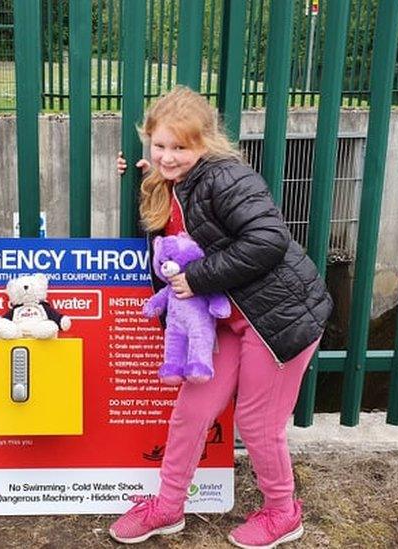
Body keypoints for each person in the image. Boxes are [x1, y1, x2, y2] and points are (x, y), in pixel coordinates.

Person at [108, 86, 332, 548]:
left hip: (278, 318)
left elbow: (267, 239)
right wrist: (147, 176)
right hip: (231, 317)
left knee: (257, 425)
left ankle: (283, 513)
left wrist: (199, 279)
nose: (168, 156)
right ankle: (168, 507)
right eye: (160, 145)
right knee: (192, 411)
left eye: (180, 147)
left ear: (204, 144)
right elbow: (178, 235)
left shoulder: (227, 177)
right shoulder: (170, 181)